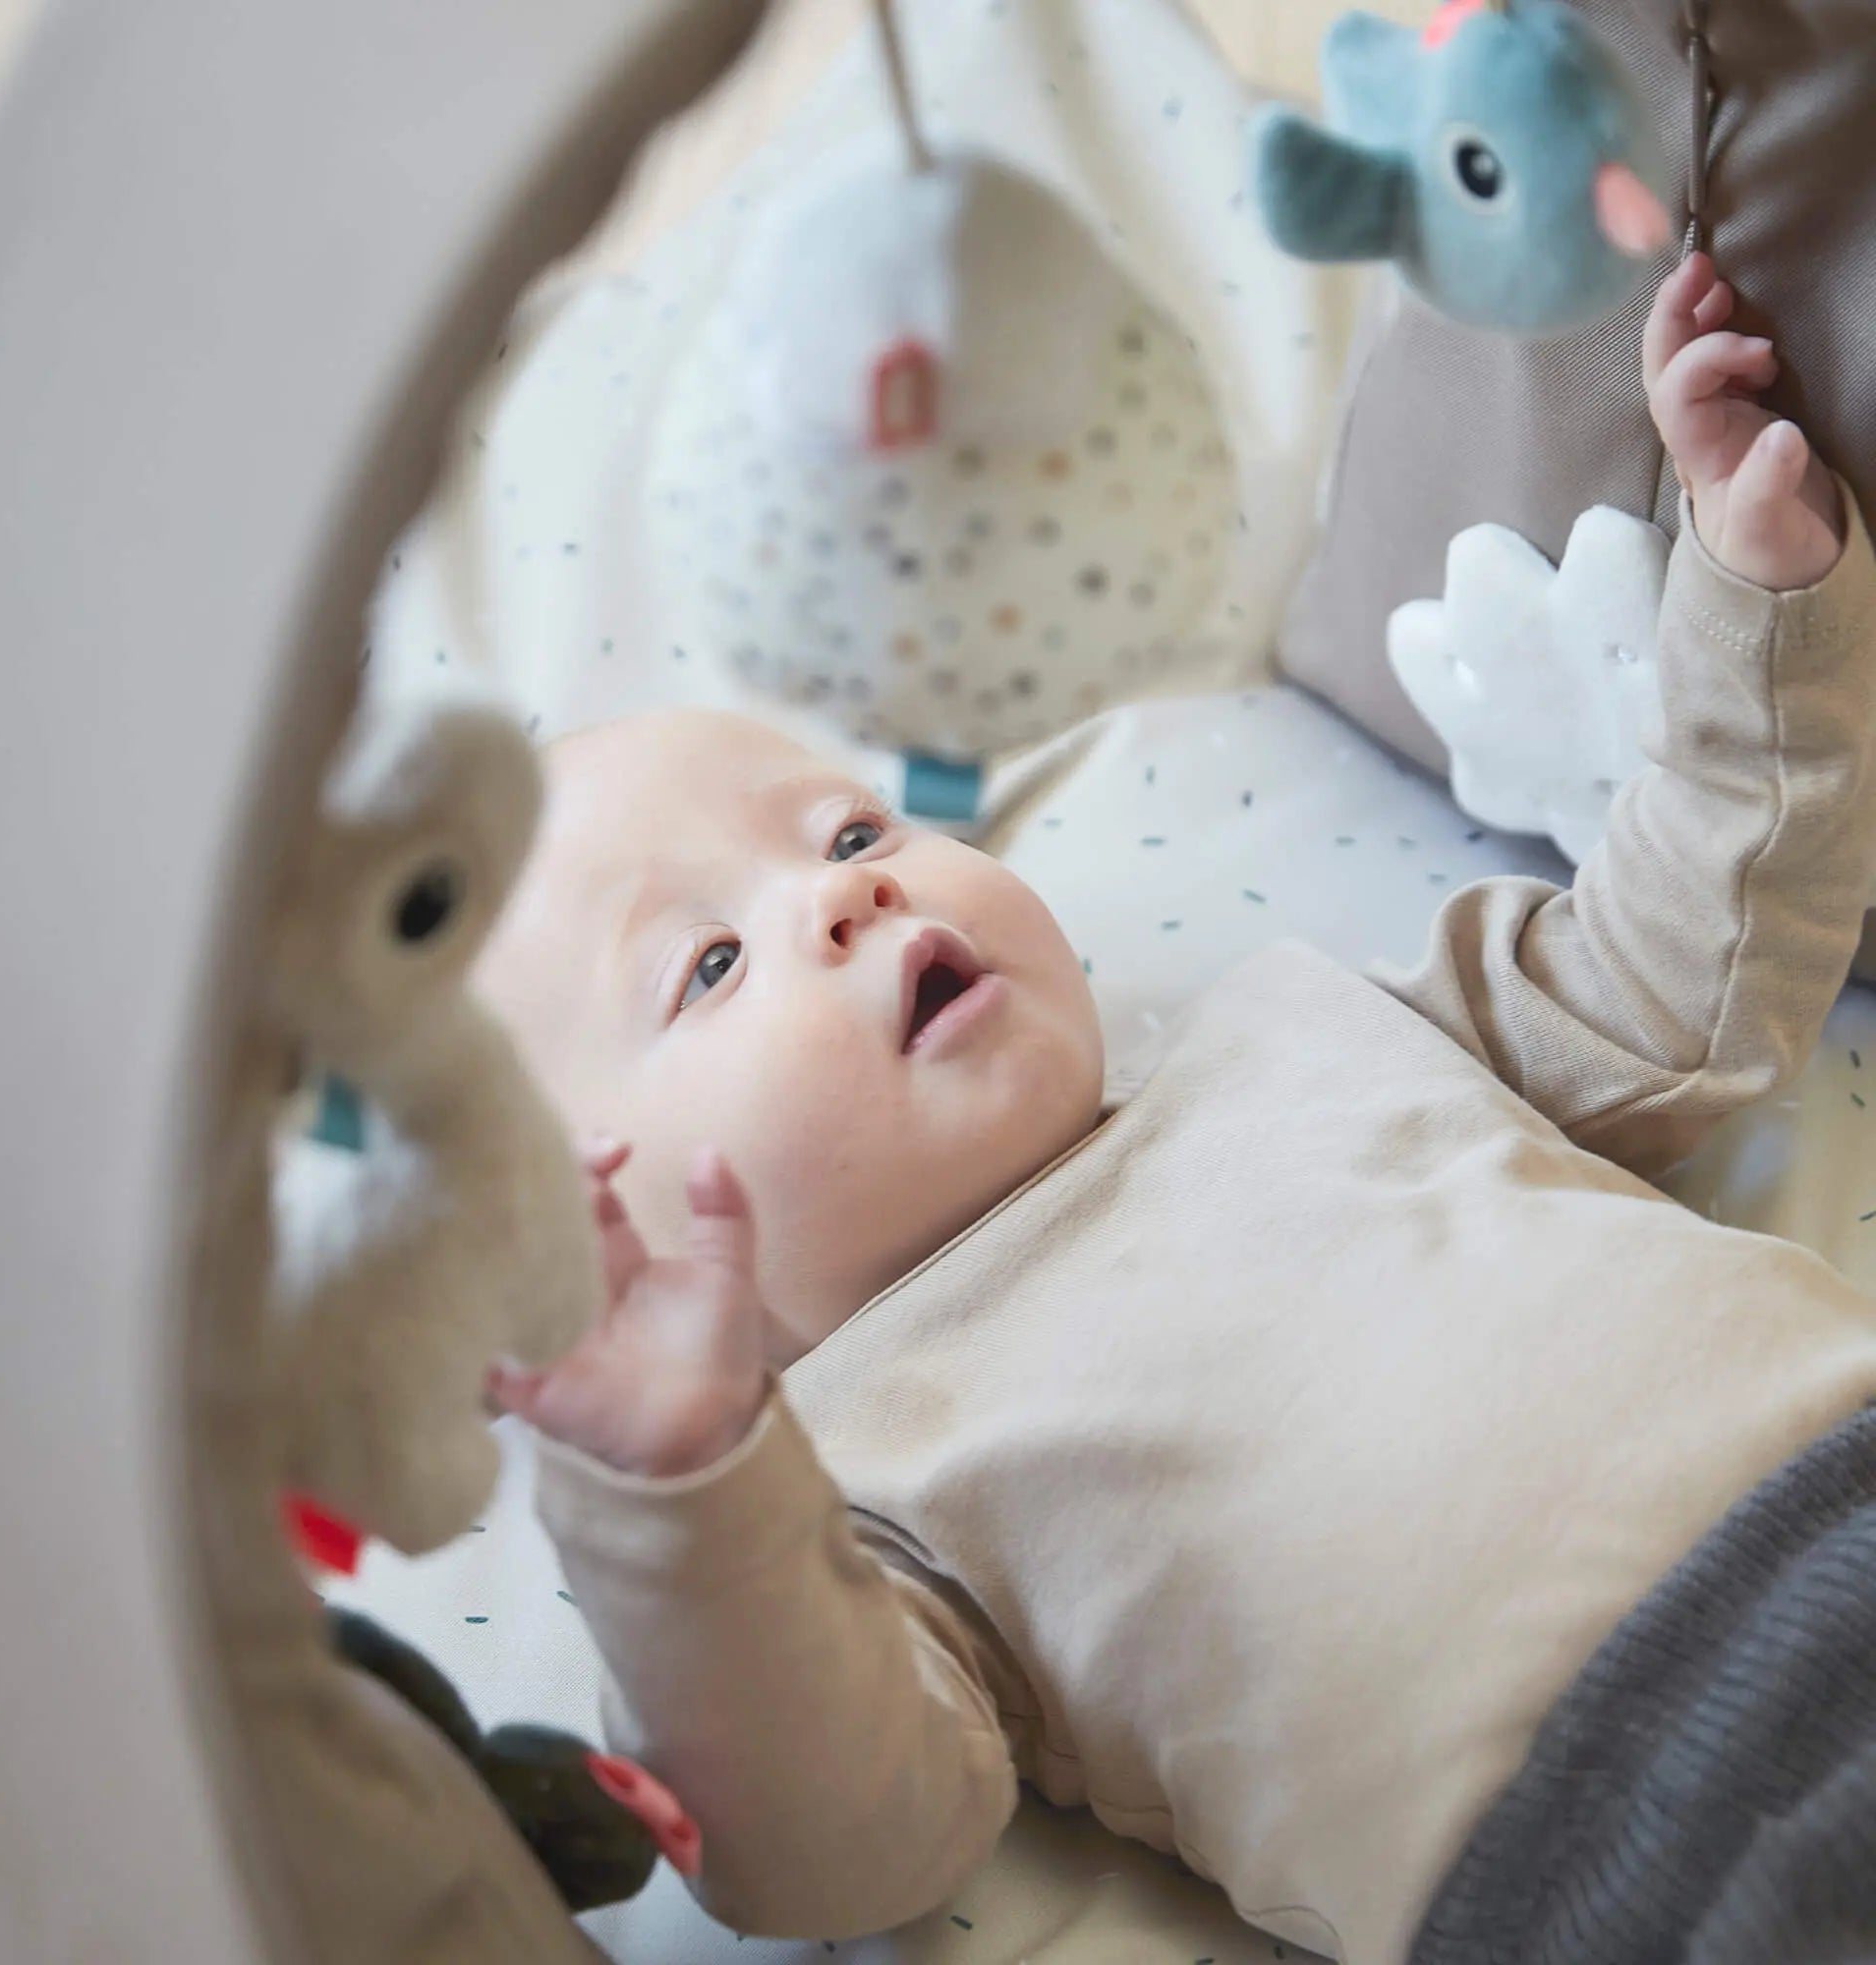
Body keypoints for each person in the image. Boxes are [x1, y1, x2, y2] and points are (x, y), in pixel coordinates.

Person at [475, 255, 1876, 1965]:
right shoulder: (849, 1491)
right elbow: (836, 1846)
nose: (841, 900)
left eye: (846, 836)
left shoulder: (1303, 1024)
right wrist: (681, 1495)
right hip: (1628, 1844)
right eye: (702, 968)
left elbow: (1680, 990)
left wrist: (1747, 608)